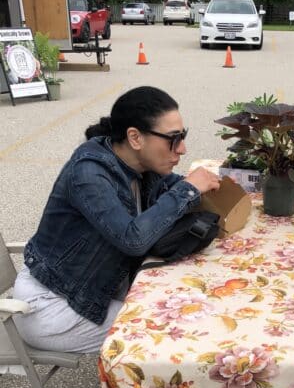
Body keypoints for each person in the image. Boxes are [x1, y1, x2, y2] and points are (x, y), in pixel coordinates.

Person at [13, 86, 220, 353]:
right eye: (173, 138)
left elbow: (171, 188)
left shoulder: (138, 163)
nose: (182, 148)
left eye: (183, 136)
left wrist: (208, 187)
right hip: (53, 305)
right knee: (174, 329)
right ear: (135, 137)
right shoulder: (88, 174)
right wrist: (189, 189)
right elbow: (132, 239)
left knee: (193, 299)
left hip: (94, 288)